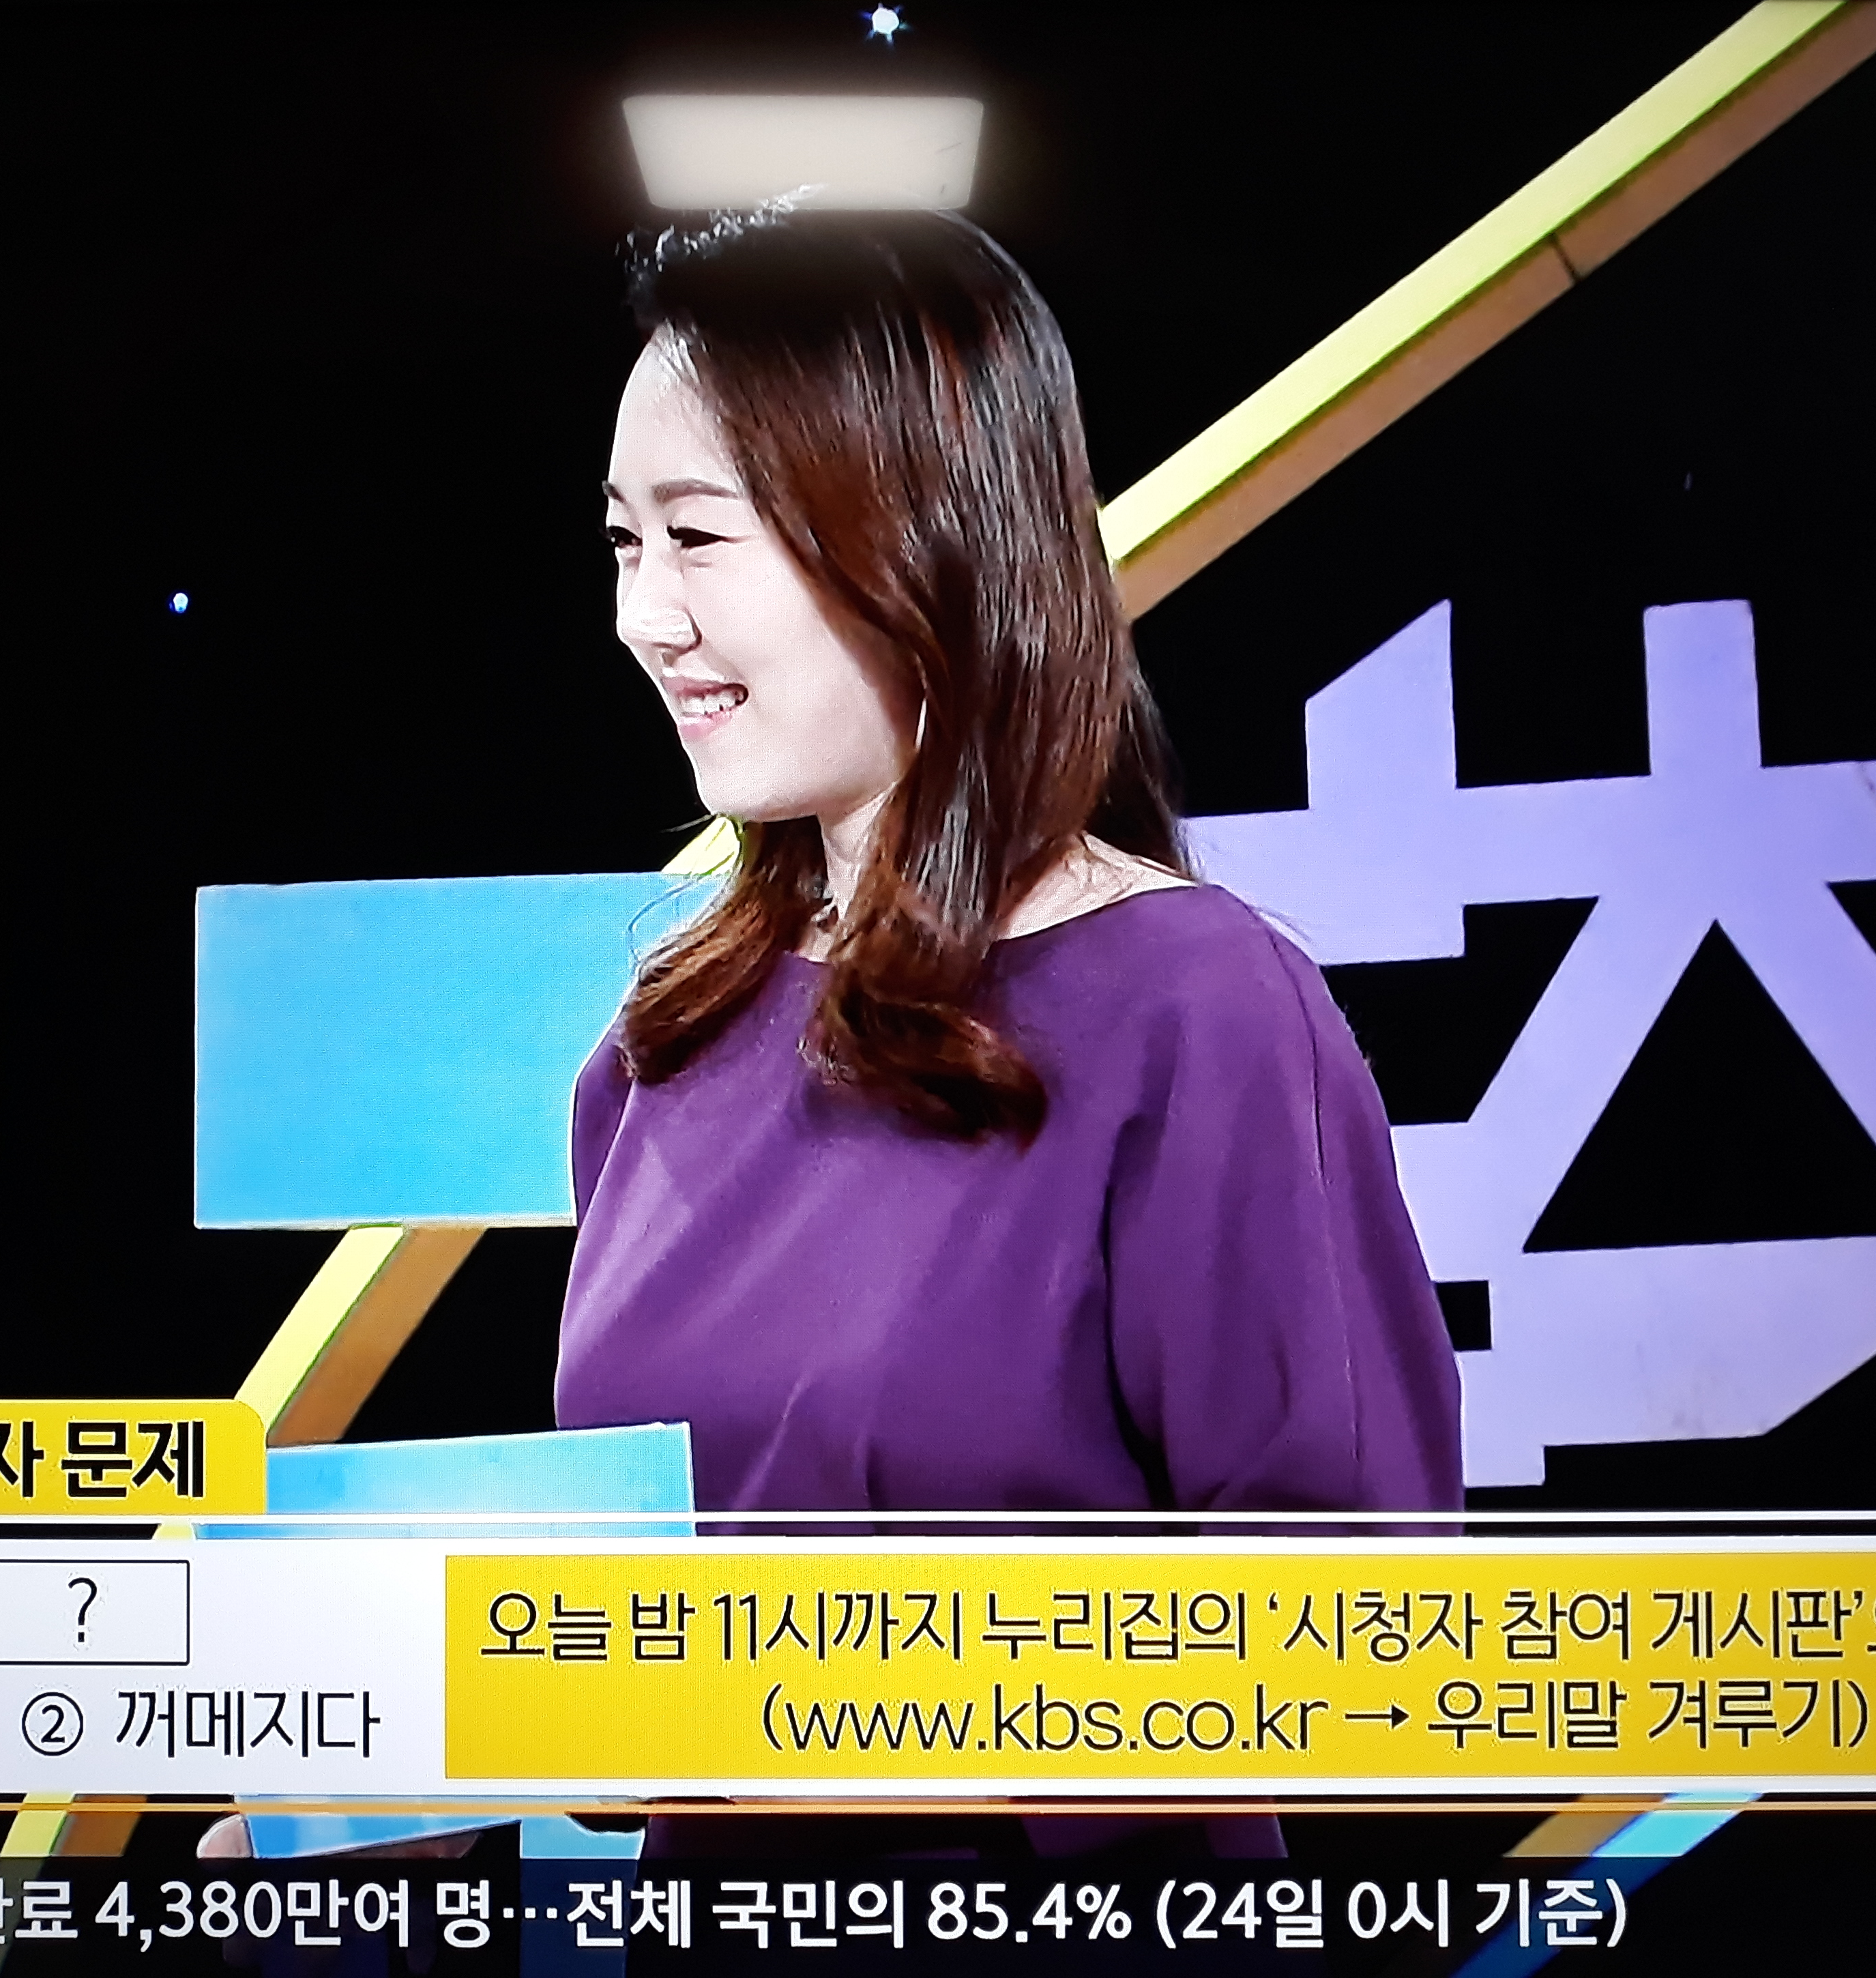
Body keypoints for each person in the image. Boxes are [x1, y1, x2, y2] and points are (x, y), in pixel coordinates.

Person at [555, 208, 1463, 1861]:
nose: (645, 616)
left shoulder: (1195, 1007)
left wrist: (804, 1748)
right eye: (624, 543)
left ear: (918, 532)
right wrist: (410, 1765)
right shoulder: (658, 1055)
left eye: (696, 537)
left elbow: (1357, 1646)